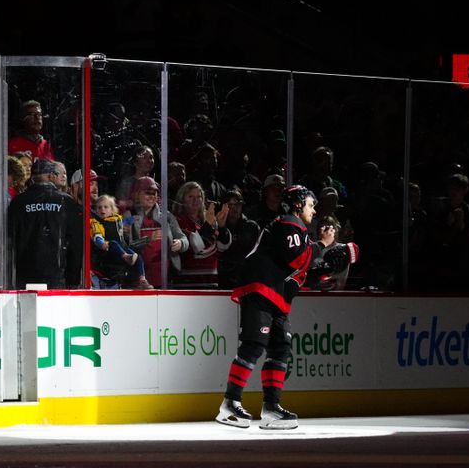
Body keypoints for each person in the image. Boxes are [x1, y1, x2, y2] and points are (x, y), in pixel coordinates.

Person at [216, 185, 344, 429]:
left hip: (275, 293)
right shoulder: (288, 222)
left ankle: (271, 408)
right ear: (298, 205)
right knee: (254, 344)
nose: (314, 210)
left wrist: (327, 268)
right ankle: (230, 404)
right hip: (261, 287)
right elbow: (296, 258)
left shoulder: (297, 229)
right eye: (310, 204)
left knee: (280, 347)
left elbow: (301, 270)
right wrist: (322, 245)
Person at [7, 158, 75, 289]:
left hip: (25, 272)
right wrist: (73, 278)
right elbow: (74, 241)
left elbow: (11, 238)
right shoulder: (66, 201)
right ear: (51, 176)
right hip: (56, 273)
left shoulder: (18, 202)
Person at [124, 176, 189, 288]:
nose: (152, 196)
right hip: (139, 281)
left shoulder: (167, 216)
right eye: (148, 193)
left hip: (166, 279)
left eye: (154, 193)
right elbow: (126, 248)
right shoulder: (129, 216)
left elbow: (184, 240)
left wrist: (180, 243)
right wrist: (148, 239)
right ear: (137, 195)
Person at [90, 194, 153, 289]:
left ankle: (142, 280)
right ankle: (126, 257)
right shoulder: (97, 222)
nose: (102, 209)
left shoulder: (117, 219)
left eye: (105, 207)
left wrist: (134, 219)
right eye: (99, 207)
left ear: (112, 209)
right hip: (109, 250)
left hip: (122, 248)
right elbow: (96, 235)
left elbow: (125, 223)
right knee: (113, 243)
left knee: (138, 258)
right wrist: (101, 243)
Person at [217, 189, 260, 290]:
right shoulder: (217, 225)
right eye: (229, 205)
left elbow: (257, 255)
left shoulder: (252, 227)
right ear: (223, 207)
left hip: (246, 278)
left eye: (237, 204)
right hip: (223, 278)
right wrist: (221, 227)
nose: (233, 208)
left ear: (242, 206)